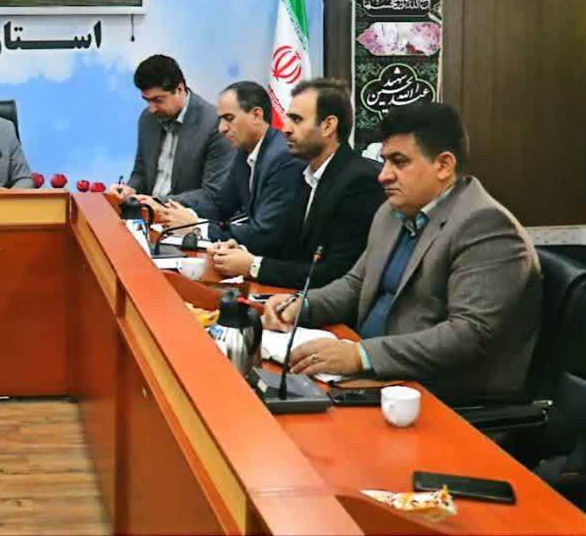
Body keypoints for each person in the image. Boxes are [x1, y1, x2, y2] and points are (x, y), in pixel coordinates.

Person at [263, 103, 542, 405]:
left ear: (443, 165)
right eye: (384, 161)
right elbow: (356, 284)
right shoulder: (393, 211)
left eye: (399, 162)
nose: (383, 175)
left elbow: (467, 335)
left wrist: (361, 355)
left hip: (438, 395)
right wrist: (301, 305)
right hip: (373, 374)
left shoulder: (486, 225)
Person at [207, 78, 384, 289]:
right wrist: (240, 252)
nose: (286, 129)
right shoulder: (306, 174)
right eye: (287, 119)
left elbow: (336, 273)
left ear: (328, 126)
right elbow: (287, 247)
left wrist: (254, 266)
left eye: (297, 120)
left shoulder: (359, 181)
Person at [154, 81, 302, 254]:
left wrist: (196, 227)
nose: (221, 128)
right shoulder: (244, 151)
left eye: (229, 118)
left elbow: (264, 234)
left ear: (256, 115)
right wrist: (171, 210)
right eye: (221, 119)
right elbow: (221, 205)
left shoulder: (283, 158)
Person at [108, 55, 230, 215]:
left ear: (179, 89)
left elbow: (212, 195)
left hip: (187, 221)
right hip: (147, 216)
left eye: (157, 100)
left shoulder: (216, 125)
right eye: (147, 100)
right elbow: (141, 172)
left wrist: (159, 203)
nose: (151, 109)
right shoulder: (147, 118)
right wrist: (130, 190)